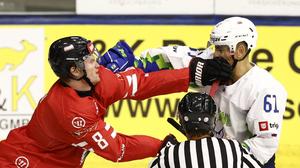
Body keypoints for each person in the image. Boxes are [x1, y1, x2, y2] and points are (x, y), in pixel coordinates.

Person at [0, 36, 229, 168]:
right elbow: (118, 149)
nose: (98, 63)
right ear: (74, 70)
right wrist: (160, 146)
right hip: (23, 161)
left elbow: (141, 84)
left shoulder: (95, 78)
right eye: (90, 60)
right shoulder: (72, 112)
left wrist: (193, 74)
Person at [99, 17, 288, 167]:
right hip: (211, 156)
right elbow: (166, 58)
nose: (215, 54)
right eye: (215, 48)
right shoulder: (209, 63)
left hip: (247, 162)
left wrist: (224, 157)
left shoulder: (266, 89)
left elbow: (265, 144)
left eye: (222, 49)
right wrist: (135, 64)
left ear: (240, 50)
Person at [149, 92, 263, 168]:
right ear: (214, 120)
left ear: (181, 120)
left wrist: (168, 152)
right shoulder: (233, 149)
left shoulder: (169, 155)